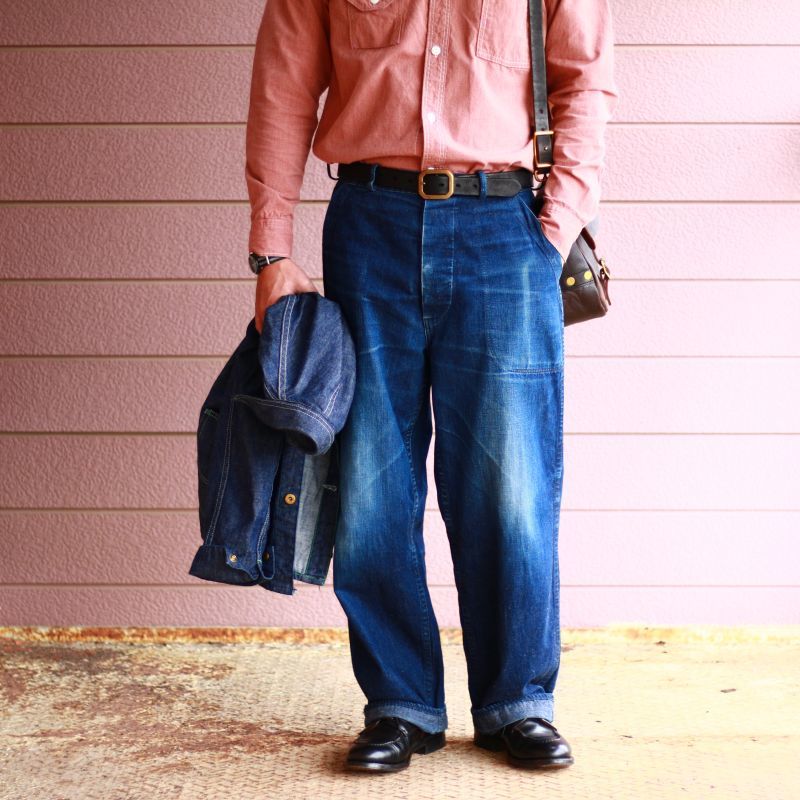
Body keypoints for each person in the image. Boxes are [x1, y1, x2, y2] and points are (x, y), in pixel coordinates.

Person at [245, 0, 618, 773]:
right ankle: (400, 704)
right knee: (373, 483)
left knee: (510, 481)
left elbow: (585, 79)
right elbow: (282, 85)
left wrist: (554, 226)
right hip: (367, 223)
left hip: (506, 227)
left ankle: (518, 700)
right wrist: (270, 248)